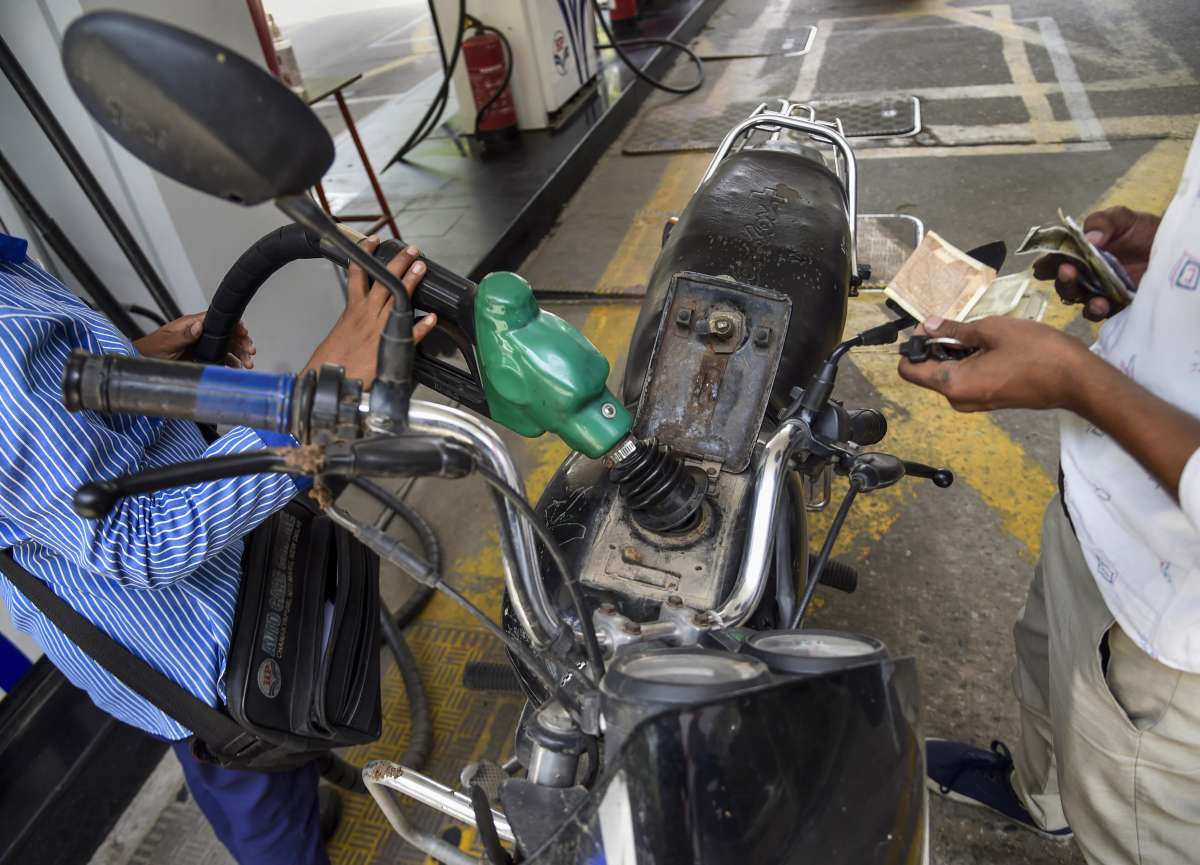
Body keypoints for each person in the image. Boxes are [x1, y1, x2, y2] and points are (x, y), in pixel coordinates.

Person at [0, 232, 437, 865]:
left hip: (244, 597)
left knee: (292, 747)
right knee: (264, 799)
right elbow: (139, 538)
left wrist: (142, 364)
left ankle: (298, 789)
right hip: (209, 669)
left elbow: (63, 443)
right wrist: (318, 390)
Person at [900, 129, 1200, 864]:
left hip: (1170, 641)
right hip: (1095, 514)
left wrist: (1076, 381)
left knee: (1128, 824)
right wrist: (1174, 262)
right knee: (1047, 673)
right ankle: (1042, 795)